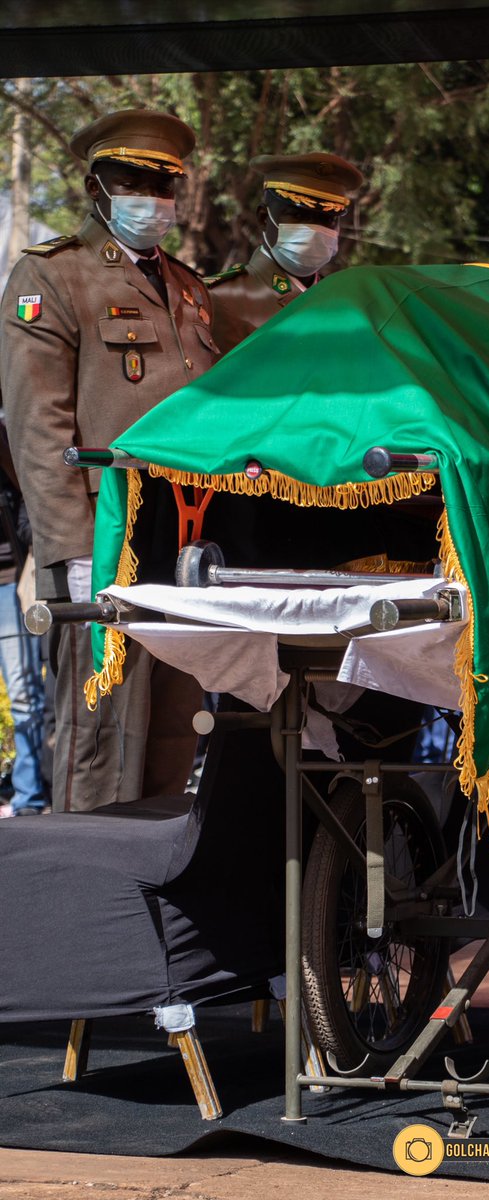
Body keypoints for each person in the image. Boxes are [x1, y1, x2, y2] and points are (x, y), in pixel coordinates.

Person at [0, 108, 220, 812]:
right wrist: (71, 550)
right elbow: (39, 429)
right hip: (105, 541)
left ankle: (155, 899)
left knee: (173, 732)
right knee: (101, 739)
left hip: (186, 544)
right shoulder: (53, 275)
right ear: (95, 186)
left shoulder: (187, 288)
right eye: (133, 181)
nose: (151, 199)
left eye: (163, 184)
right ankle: (85, 902)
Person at [206, 152, 364, 353]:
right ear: (264, 218)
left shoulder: (344, 304)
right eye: (299, 215)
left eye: (327, 219)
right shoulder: (221, 299)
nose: (314, 229)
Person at [0, 416, 49, 817]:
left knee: (23, 693)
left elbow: (30, 502)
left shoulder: (6, 435)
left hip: (6, 580)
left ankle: (29, 793)